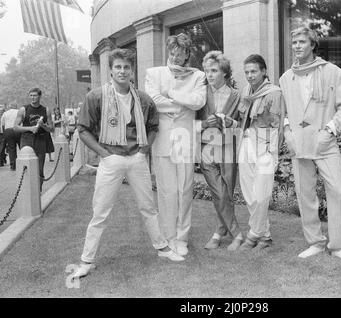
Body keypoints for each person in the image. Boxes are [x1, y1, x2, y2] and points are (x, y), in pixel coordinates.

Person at [73, 48, 184, 279]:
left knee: (148, 207)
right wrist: (104, 153)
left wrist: (144, 150)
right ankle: (86, 260)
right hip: (110, 158)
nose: (122, 71)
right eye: (118, 67)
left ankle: (162, 248)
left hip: (136, 158)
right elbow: (82, 130)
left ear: (132, 70)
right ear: (111, 70)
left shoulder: (143, 99)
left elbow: (154, 127)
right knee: (100, 211)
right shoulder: (96, 96)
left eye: (126, 67)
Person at [279, 27, 341, 265]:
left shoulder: (333, 72)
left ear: (313, 44)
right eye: (294, 42)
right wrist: (287, 133)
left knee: (338, 191)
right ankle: (315, 242)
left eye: (301, 42)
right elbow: (283, 113)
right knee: (305, 194)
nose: (296, 46)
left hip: (325, 142)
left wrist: (330, 131)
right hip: (299, 143)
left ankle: (339, 246)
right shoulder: (285, 78)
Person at [145, 33, 206, 257]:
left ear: (187, 54)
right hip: (162, 140)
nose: (175, 57)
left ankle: (182, 238)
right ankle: (169, 237)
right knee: (166, 191)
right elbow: (153, 101)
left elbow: (198, 101)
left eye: (180, 53)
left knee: (185, 190)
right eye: (172, 52)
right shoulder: (154, 73)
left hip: (185, 138)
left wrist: (170, 93)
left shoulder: (198, 76)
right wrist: (181, 104)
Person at [237, 54, 285, 251]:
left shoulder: (274, 93)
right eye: (247, 72)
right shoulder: (246, 91)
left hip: (265, 144)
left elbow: (277, 125)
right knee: (249, 192)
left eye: (254, 71)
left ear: (264, 71)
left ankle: (254, 234)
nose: (249, 75)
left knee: (262, 193)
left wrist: (272, 153)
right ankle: (264, 236)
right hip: (246, 141)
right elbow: (242, 120)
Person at [196, 51, 243, 251]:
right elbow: (188, 121)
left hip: (228, 149)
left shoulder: (236, 95)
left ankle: (219, 231)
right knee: (218, 191)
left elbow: (243, 124)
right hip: (207, 149)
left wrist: (231, 122)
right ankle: (238, 234)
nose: (210, 75)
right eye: (207, 71)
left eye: (214, 70)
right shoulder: (200, 94)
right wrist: (204, 123)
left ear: (224, 72)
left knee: (226, 194)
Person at [14, 88, 54, 191]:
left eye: (35, 95)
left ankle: (37, 191)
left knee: (39, 168)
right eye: (31, 95)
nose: (32, 97)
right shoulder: (24, 109)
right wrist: (30, 128)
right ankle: (26, 190)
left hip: (41, 139)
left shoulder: (46, 110)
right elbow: (16, 127)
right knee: (26, 166)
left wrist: (43, 125)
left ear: (40, 96)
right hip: (26, 139)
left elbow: (51, 129)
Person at [1, 103, 20, 170]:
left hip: (8, 131)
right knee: (22, 146)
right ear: (16, 106)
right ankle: (23, 162)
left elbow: (3, 124)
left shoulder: (5, 113)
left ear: (10, 107)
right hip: (17, 130)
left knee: (11, 149)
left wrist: (5, 133)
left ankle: (13, 165)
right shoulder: (19, 111)